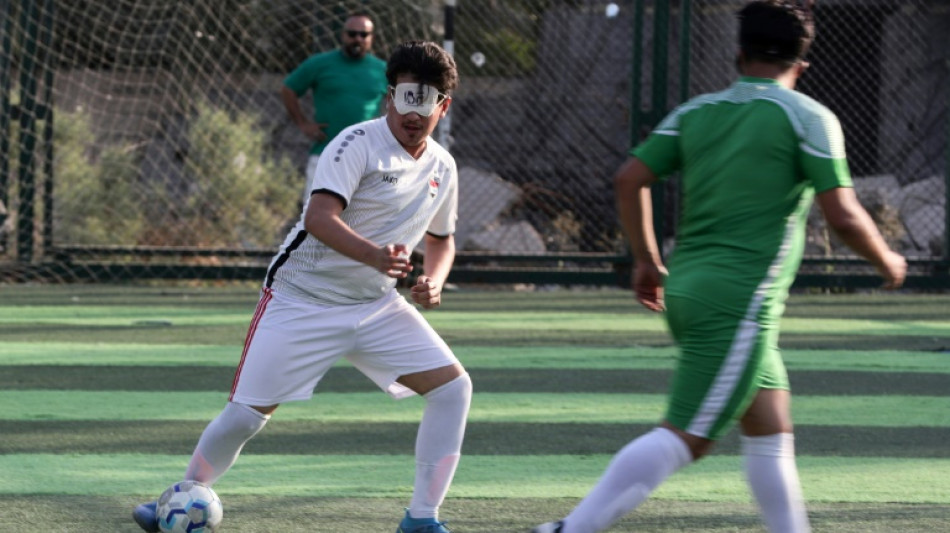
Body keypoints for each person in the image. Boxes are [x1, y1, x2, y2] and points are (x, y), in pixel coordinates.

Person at [532, 2, 906, 532]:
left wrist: (646, 259)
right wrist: (888, 259)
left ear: (738, 54)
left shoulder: (695, 112)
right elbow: (843, 215)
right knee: (687, 436)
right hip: (740, 302)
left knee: (771, 433)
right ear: (803, 62)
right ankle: (567, 529)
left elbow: (628, 179)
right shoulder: (809, 117)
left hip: (691, 289)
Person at [134, 41, 468, 533]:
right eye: (404, 97)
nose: (412, 113)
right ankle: (181, 496)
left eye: (426, 101)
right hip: (300, 299)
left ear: (443, 106)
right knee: (245, 418)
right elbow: (318, 218)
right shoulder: (355, 143)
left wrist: (434, 281)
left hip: (376, 305)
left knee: (453, 389)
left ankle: (421, 519)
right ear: (389, 95)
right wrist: (376, 255)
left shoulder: (443, 166)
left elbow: (442, 240)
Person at [281, 11, 388, 201]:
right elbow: (288, 89)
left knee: (362, 222)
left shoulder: (382, 70)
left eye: (363, 35)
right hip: (325, 155)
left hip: (367, 160)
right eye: (352, 33)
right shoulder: (319, 63)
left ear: (371, 38)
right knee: (314, 220)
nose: (357, 39)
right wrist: (303, 124)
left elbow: (396, 103)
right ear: (343, 35)